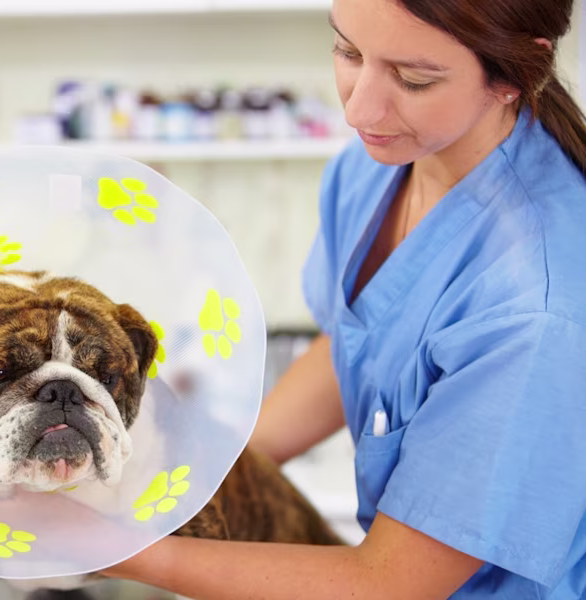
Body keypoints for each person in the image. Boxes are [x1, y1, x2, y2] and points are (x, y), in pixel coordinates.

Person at [100, 0, 586, 597]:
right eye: (348, 51)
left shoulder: (534, 305)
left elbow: (388, 584)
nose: (358, 108)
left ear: (515, 74)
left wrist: (113, 548)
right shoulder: (376, 166)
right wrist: (208, 468)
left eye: (413, 80)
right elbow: (360, 341)